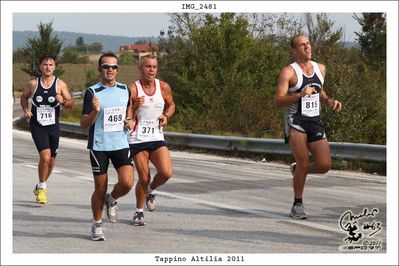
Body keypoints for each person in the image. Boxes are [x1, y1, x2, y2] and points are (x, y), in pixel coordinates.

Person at [275, 34, 342, 219]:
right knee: (304, 162)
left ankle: (298, 170)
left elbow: (319, 90)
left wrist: (329, 100)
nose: (307, 47)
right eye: (302, 45)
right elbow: (279, 101)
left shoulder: (321, 68)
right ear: (294, 50)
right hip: (295, 120)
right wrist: (300, 94)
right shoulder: (288, 72)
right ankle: (297, 204)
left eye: (308, 43)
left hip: (314, 120)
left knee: (324, 165)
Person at [80, 53, 134, 241]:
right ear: (99, 69)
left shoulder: (125, 89)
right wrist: (95, 112)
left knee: (127, 183)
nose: (110, 70)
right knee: (100, 188)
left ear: (118, 70)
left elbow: (128, 111)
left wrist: (129, 121)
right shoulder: (92, 92)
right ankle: (97, 225)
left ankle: (111, 200)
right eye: (106, 66)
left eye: (113, 67)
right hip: (99, 145)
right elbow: (83, 124)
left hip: (120, 143)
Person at [128, 55, 175, 226]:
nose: (151, 70)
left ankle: (151, 191)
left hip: (156, 136)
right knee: (144, 176)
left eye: (154, 67)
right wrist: (134, 107)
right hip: (138, 138)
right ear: (140, 68)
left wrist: (166, 115)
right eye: (147, 67)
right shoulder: (133, 89)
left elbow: (172, 105)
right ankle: (139, 212)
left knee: (166, 173)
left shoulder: (163, 87)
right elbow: (127, 117)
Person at [20, 55, 74, 204]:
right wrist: (25, 109)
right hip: (37, 125)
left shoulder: (60, 85)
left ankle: (39, 185)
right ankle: (43, 189)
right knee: (45, 157)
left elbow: (71, 103)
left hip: (53, 126)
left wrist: (62, 101)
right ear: (40, 67)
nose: (48, 67)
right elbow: (24, 97)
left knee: (51, 161)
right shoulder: (33, 84)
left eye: (51, 64)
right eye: (45, 64)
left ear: (54, 67)